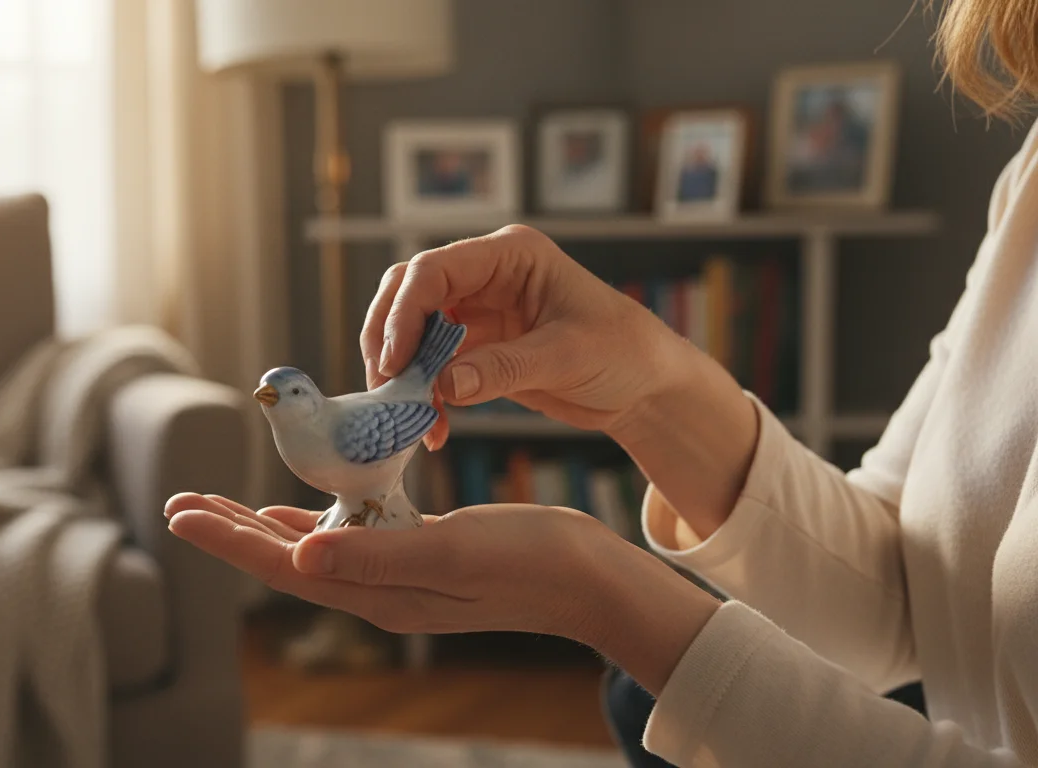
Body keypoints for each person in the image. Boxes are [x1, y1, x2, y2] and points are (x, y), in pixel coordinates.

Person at [164, 2, 1038, 764]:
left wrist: (599, 590)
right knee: (634, 698)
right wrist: (650, 382)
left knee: (633, 697)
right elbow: (902, 596)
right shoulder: (1026, 185)